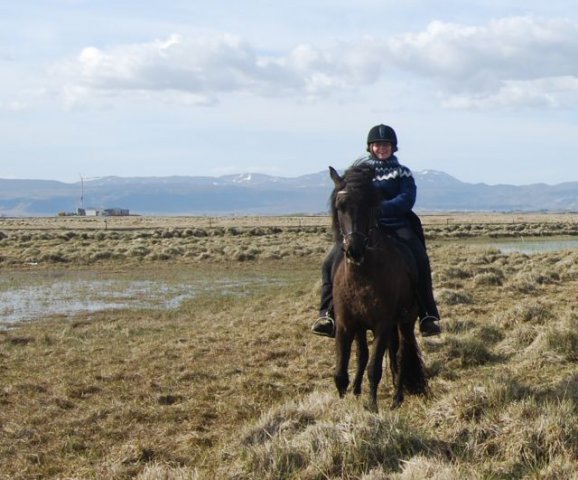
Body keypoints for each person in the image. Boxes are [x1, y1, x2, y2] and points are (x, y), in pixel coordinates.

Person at [311, 124, 441, 338]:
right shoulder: (358, 175)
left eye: (386, 145)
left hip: (397, 224)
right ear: (370, 147)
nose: (382, 148)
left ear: (393, 147)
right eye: (378, 145)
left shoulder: (402, 172)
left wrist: (380, 209)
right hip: (364, 228)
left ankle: (428, 314)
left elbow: (407, 198)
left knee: (419, 258)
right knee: (330, 262)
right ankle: (327, 313)